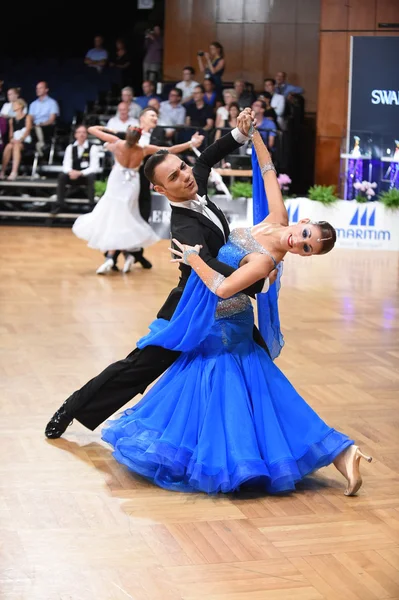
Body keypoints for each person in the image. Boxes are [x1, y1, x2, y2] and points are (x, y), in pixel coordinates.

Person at [101, 121, 372, 497]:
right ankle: (342, 453)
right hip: (215, 315)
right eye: (306, 234)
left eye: (306, 248)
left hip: (226, 322)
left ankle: (246, 459)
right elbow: (268, 172)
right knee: (259, 393)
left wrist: (195, 260)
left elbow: (225, 286)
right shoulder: (276, 220)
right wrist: (253, 133)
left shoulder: (268, 262)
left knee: (225, 392)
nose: (300, 242)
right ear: (304, 221)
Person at [45, 109, 271, 438]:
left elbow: (207, 158)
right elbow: (205, 262)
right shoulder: (183, 225)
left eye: (182, 168)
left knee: (256, 356)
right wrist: (256, 275)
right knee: (141, 367)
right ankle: (73, 407)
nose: (186, 176)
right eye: (175, 178)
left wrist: (239, 133)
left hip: (222, 302)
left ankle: (256, 429)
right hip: (190, 306)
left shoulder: (196, 187)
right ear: (162, 190)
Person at [72, 125, 204, 275]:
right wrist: (190, 143)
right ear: (139, 137)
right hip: (132, 184)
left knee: (116, 217)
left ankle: (114, 256)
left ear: (126, 134)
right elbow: (170, 150)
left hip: (117, 181)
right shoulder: (143, 149)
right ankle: (128, 254)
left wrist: (107, 128)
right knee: (126, 216)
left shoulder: (117, 144)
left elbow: (92, 130)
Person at [51, 125, 102, 214]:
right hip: (72, 177)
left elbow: (95, 167)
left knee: (92, 176)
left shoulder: (93, 148)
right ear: (75, 135)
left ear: (86, 135)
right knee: (62, 176)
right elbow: (66, 165)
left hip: (85, 177)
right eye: (79, 132)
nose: (81, 134)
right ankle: (60, 204)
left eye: (84, 132)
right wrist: (71, 172)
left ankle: (91, 205)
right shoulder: (70, 147)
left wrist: (80, 173)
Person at [0, 99, 33, 180]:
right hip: (15, 140)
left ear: (21, 106)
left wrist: (21, 139)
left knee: (16, 146)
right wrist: (11, 139)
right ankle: (2, 171)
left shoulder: (27, 117)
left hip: (25, 141)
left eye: (15, 104)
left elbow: (28, 130)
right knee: (9, 146)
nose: (13, 106)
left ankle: (14, 172)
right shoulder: (12, 120)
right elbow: (11, 133)